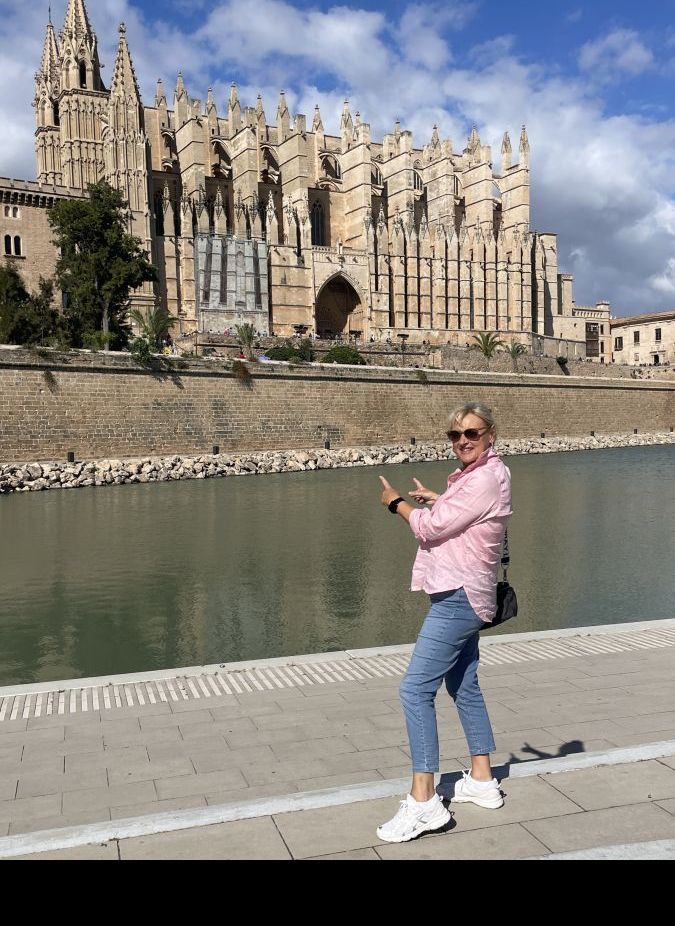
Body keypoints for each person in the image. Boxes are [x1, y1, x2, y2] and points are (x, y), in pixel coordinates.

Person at [376, 402, 512, 843]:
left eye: (472, 433)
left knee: (414, 689)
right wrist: (441, 498)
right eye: (455, 435)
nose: (463, 441)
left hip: (459, 599)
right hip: (468, 595)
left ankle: (424, 801)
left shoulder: (485, 478)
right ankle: (482, 780)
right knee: (464, 685)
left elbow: (430, 531)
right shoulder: (482, 476)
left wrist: (396, 503)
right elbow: (463, 518)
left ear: (490, 433)